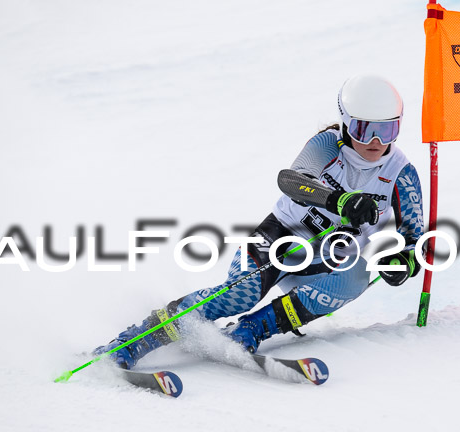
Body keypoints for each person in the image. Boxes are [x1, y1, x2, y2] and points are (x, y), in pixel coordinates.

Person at [93, 75, 424, 369]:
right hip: (278, 239)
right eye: (365, 130)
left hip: (324, 264)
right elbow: (291, 181)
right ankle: (136, 340)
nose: (377, 143)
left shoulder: (401, 173)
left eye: (388, 129)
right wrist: (339, 200)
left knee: (357, 275)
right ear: (346, 123)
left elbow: (414, 239)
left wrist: (403, 263)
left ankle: (250, 330)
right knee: (241, 293)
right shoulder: (327, 144)